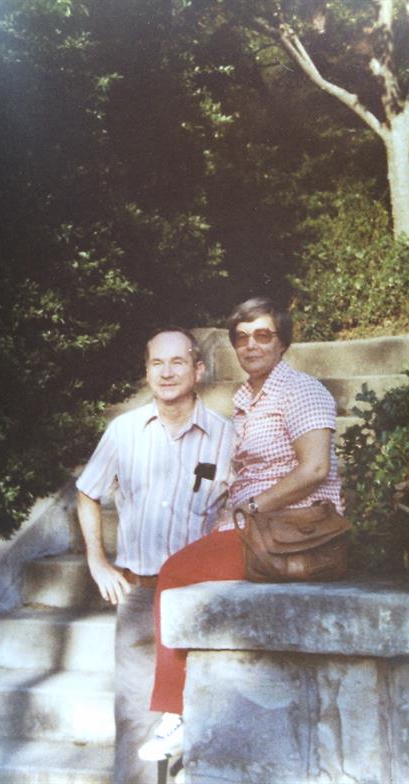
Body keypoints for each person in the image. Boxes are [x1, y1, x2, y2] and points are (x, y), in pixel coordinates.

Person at [139, 297, 343, 768]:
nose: (251, 345)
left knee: (174, 574)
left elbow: (314, 469)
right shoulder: (247, 398)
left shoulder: (302, 391)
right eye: (242, 337)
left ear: (284, 340)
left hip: (291, 529)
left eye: (263, 334)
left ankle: (174, 713)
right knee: (184, 561)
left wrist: (250, 508)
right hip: (257, 526)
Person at [76, 326, 234, 784]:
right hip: (141, 599)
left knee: (199, 719)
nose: (166, 372)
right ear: (147, 371)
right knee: (134, 722)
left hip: (199, 603)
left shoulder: (225, 437)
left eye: (178, 361)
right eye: (156, 363)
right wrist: (97, 562)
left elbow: (237, 509)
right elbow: (88, 493)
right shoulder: (124, 431)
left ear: (198, 370)